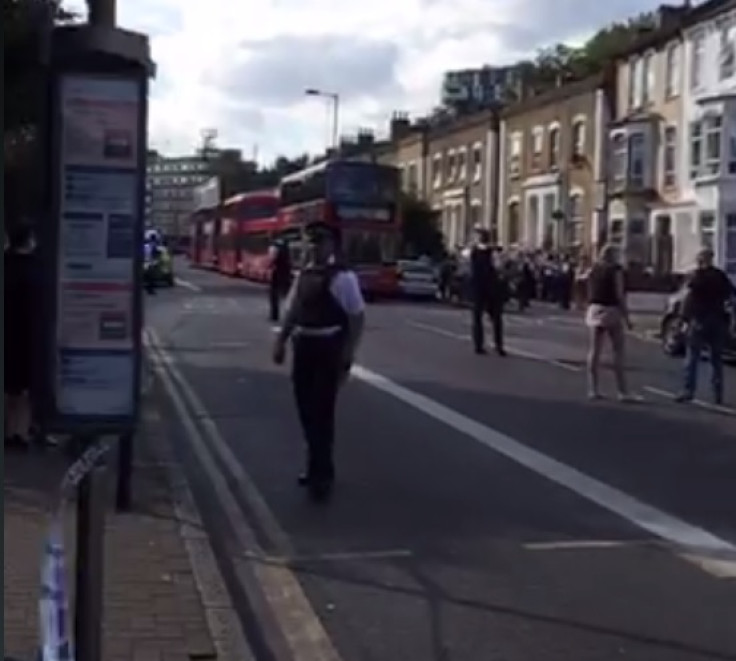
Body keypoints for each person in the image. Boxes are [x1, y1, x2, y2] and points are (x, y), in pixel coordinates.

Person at [272, 223, 365, 501]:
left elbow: (357, 317)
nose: (314, 248)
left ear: (331, 247)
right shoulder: (303, 276)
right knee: (305, 409)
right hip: (304, 346)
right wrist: (281, 342)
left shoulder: (344, 279)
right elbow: (292, 311)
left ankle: (321, 473)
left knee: (322, 412)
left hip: (329, 347)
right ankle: (316, 465)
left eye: (320, 243)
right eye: (311, 243)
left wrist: (348, 354)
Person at [676, 247, 734, 405]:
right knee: (716, 359)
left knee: (692, 357)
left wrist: (683, 320)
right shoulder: (720, 276)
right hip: (717, 320)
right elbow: (731, 296)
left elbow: (688, 299)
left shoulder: (695, 276)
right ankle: (717, 393)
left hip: (699, 320)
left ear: (700, 260)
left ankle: (688, 391)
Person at [584, 244, 640, 401]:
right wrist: (627, 317)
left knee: (594, 351)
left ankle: (593, 389)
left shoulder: (594, 269)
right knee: (618, 352)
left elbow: (587, 286)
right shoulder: (616, 270)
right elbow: (619, 294)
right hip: (611, 309)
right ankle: (623, 392)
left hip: (594, 308)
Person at [5, 222, 40, 449]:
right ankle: (20, 433)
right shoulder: (32, 268)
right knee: (25, 391)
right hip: (26, 334)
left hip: (7, 332)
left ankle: (9, 432)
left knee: (11, 390)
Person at [469, 227, 506, 356]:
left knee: (479, 317)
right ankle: (497, 345)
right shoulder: (493, 252)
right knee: (495, 318)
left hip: (481, 287)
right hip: (490, 287)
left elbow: (469, 268)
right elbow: (499, 269)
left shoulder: (474, 252)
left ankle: (480, 345)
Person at [268, 239, 292, 322]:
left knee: (274, 294)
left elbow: (272, 259)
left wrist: (270, 265)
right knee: (288, 294)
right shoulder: (286, 246)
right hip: (286, 273)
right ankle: (291, 315)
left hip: (277, 272)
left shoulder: (274, 246)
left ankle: (274, 315)